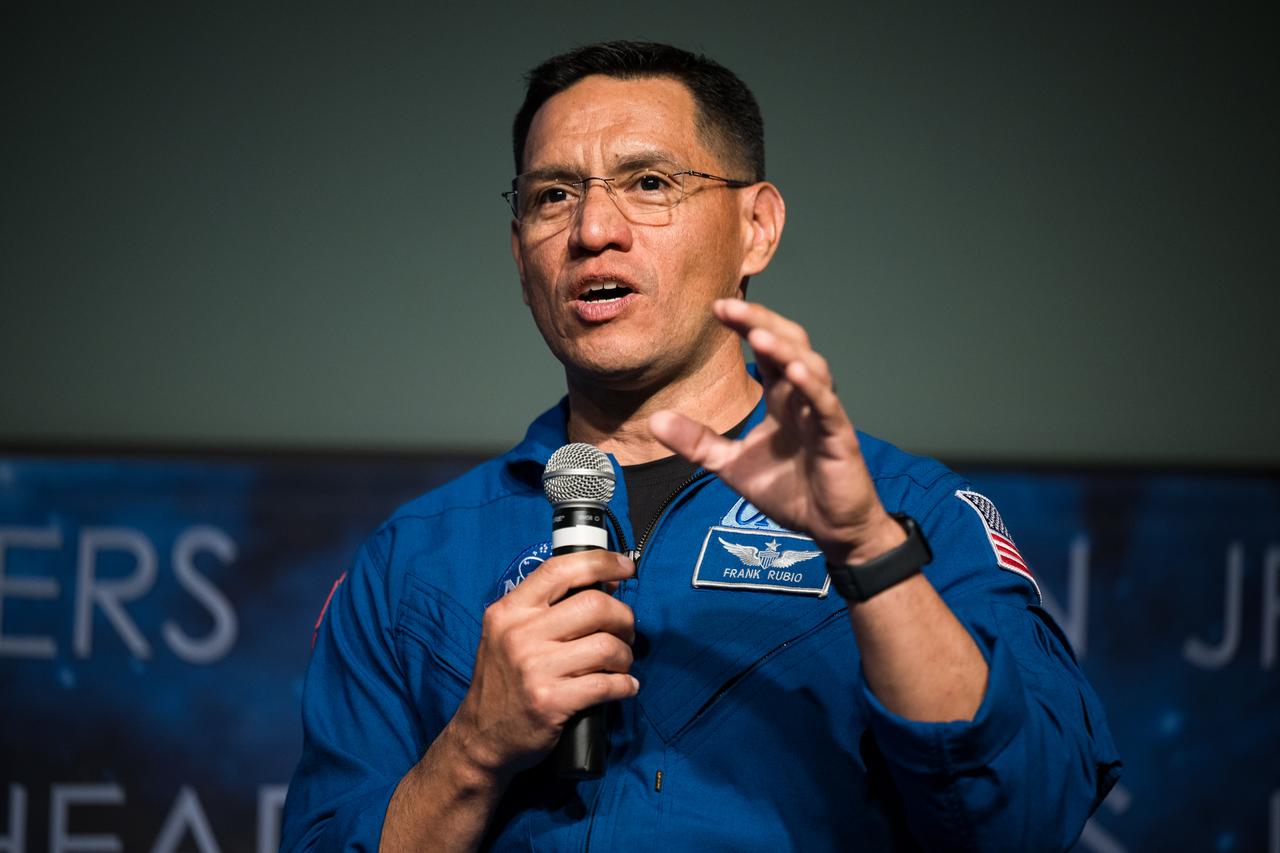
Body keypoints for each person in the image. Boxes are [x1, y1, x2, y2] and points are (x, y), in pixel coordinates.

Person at [281, 41, 1120, 851]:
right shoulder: (413, 558)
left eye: (650, 183)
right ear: (518, 251)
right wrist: (473, 747)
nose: (593, 229)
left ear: (756, 227)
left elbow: (1028, 817)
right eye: (552, 196)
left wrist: (867, 553)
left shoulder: (913, 514)